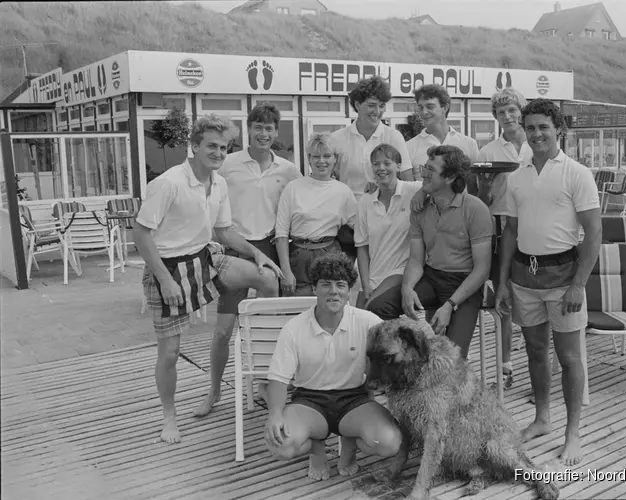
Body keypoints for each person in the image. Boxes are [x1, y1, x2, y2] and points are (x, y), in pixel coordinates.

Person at [133, 114, 283, 444]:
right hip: (167, 268)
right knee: (170, 353)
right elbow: (141, 234)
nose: (218, 153)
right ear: (195, 146)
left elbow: (225, 231)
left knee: (268, 280)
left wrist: (257, 254)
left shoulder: (219, 182)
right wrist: (165, 280)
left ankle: (263, 367)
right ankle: (169, 417)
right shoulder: (169, 182)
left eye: (223, 147)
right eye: (211, 146)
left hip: (205, 257)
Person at [495, 99, 601, 466]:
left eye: (543, 126)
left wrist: (579, 284)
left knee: (569, 358)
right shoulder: (517, 176)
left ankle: (573, 434)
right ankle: (542, 419)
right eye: (531, 127)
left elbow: (593, 234)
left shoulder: (577, 173)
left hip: (564, 278)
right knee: (536, 353)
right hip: (525, 278)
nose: (536, 133)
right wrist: (503, 280)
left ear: (559, 130)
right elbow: (510, 231)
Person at [194, 103, 301, 417]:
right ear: (248, 129)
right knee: (223, 330)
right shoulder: (228, 164)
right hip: (235, 250)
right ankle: (214, 392)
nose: (263, 134)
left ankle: (267, 386)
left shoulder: (289, 169)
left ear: (276, 132)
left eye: (269, 128)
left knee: (272, 330)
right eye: (258, 127)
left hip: (271, 251)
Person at [264, 252, 402, 481]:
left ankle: (349, 445)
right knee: (280, 446)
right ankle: (316, 449)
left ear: (349, 291)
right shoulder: (294, 328)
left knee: (389, 443)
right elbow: (277, 379)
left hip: (354, 400)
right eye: (325, 284)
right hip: (309, 402)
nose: (334, 291)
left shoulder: (368, 322)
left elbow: (397, 351)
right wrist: (275, 414)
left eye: (341, 285)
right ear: (314, 289)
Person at [367, 145, 493, 359]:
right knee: (379, 307)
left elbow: (482, 270)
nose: (423, 173)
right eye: (425, 167)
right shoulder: (420, 207)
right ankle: (403, 362)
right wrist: (407, 288)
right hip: (432, 277)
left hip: (465, 285)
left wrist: (450, 305)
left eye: (430, 170)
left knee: (452, 358)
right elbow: (416, 260)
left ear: (450, 177)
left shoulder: (475, 209)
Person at [476, 88, 534, 390]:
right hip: (499, 226)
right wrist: (485, 185)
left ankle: (537, 364)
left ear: (521, 111)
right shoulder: (488, 153)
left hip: (532, 227)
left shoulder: (536, 145)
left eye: (512, 110)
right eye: (501, 113)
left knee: (532, 296)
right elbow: (482, 200)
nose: (508, 117)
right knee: (504, 296)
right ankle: (506, 365)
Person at [276, 132, 357, 296]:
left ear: (335, 158)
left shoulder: (343, 192)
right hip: (298, 257)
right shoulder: (293, 188)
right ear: (309, 158)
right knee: (296, 309)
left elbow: (360, 229)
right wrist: (286, 271)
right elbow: (281, 233)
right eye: (316, 156)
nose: (321, 161)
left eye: (327, 156)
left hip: (329, 254)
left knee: (330, 306)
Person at [354, 143, 422, 308]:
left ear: (399, 166)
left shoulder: (413, 190)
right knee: (360, 321)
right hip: (373, 275)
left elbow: (437, 184)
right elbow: (362, 246)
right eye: (376, 164)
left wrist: (423, 192)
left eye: (387, 163)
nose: (381, 168)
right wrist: (365, 284)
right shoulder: (365, 201)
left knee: (372, 309)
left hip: (400, 271)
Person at [331, 75, 414, 201]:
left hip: (385, 211)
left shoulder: (394, 137)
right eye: (371, 105)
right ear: (358, 105)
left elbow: (408, 181)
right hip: (348, 213)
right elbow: (328, 181)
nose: (377, 111)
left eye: (381, 106)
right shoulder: (337, 138)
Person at [406, 84, 480, 178]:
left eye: (430, 106)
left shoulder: (469, 144)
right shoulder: (409, 147)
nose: (424, 112)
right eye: (420, 107)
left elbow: (473, 188)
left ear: (445, 108)